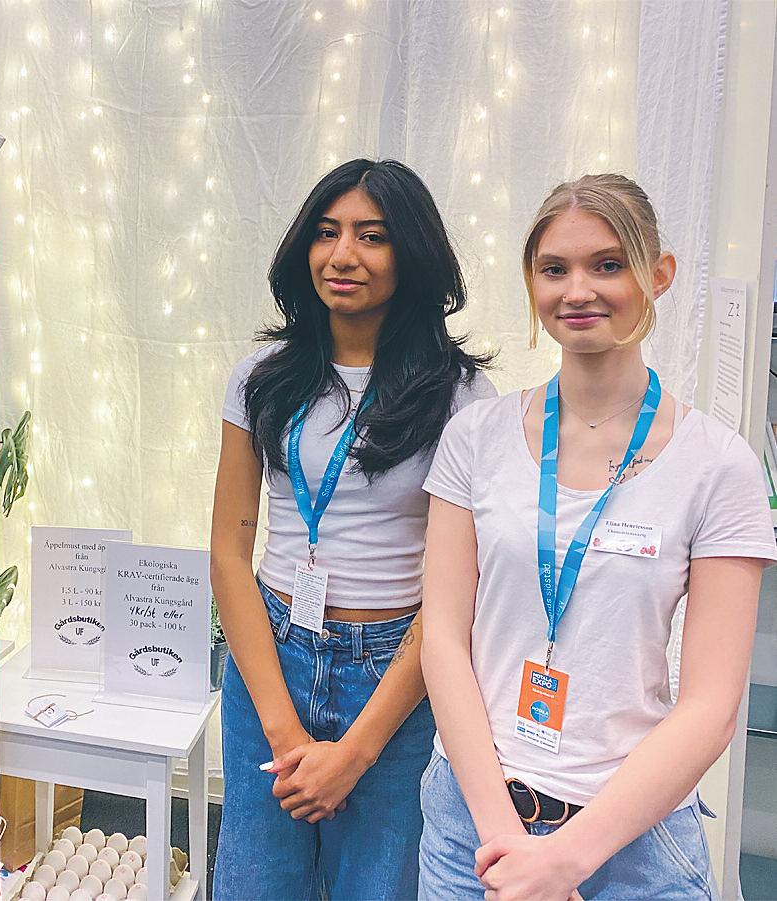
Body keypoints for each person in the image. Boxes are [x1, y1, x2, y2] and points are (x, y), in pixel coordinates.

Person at [419, 173, 777, 900]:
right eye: (554, 269)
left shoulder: (718, 465)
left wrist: (566, 859)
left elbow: (711, 706)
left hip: (634, 842)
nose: (577, 290)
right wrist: (509, 845)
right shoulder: (475, 438)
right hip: (473, 830)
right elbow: (444, 640)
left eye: (608, 264)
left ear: (659, 274)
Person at [210, 158, 494, 900]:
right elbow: (229, 553)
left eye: (372, 236)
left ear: (412, 253)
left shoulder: (461, 396)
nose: (343, 255)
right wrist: (283, 731)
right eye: (327, 233)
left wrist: (356, 753)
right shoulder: (261, 378)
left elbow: (456, 592)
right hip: (270, 658)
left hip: (396, 674)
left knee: (382, 886)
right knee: (254, 886)